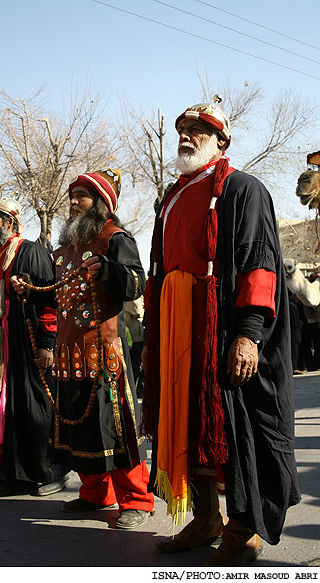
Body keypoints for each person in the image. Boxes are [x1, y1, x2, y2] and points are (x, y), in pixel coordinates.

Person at [142, 96, 300, 566]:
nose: (187, 135)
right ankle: (207, 518)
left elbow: (258, 264)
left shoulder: (241, 189)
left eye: (200, 129)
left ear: (221, 141)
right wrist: (156, 338)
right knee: (192, 424)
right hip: (178, 335)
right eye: (183, 128)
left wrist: (249, 334)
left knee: (234, 428)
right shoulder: (172, 196)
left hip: (223, 331)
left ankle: (243, 526)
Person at [12, 169, 155, 529]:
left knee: (116, 429)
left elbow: (136, 282)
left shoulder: (115, 238)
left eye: (82, 196)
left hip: (105, 354)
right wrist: (29, 288)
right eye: (72, 195)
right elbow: (54, 294)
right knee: (80, 431)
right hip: (67, 355)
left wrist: (107, 269)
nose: (73, 201)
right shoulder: (62, 250)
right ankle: (95, 493)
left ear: (101, 202)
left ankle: (137, 499)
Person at [0, 196, 69, 497]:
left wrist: (47, 345)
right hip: (4, 344)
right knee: (8, 406)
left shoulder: (31, 251)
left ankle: (49, 473)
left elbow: (49, 301)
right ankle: (15, 475)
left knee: (35, 409)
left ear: (9, 221)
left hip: (28, 342)